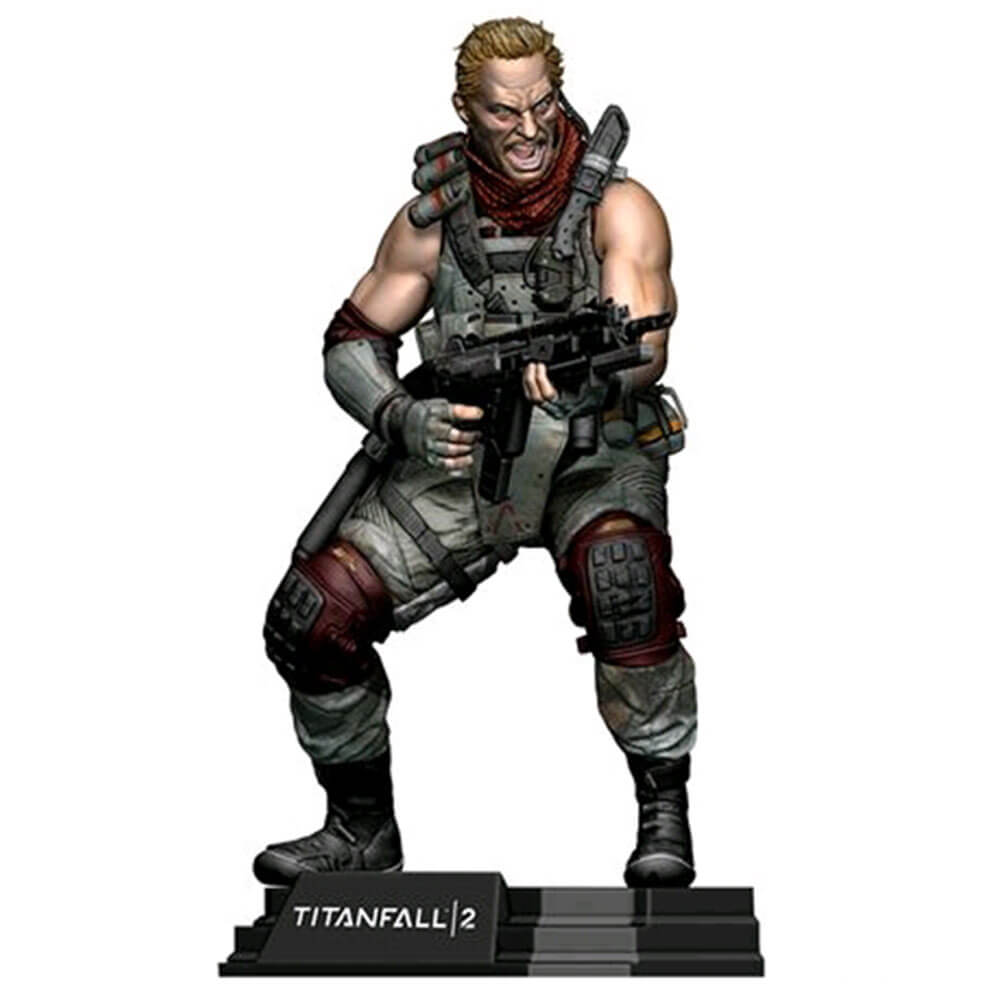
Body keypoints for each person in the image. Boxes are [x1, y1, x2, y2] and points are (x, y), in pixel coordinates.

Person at [256, 17, 697, 888]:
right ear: (467, 110)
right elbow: (350, 341)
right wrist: (399, 416)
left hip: (592, 451)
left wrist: (584, 378)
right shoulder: (433, 219)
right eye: (504, 113)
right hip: (466, 455)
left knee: (624, 581)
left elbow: (643, 348)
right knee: (313, 617)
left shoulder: (619, 207)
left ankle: (664, 811)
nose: (529, 131)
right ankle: (361, 832)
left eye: (543, 105)